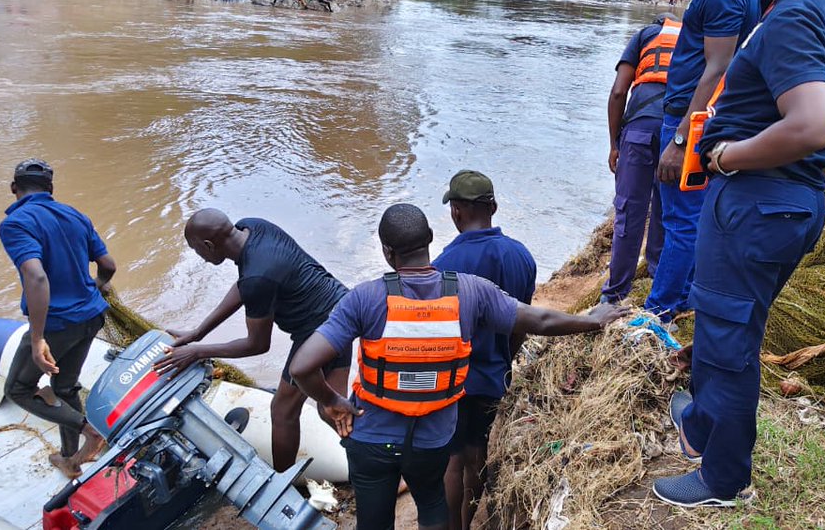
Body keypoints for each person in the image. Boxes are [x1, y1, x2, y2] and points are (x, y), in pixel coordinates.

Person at [653, 0, 825, 508]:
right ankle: (700, 421)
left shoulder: (794, 18)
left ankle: (722, 477)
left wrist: (725, 157)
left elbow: (813, 123)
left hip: (755, 202)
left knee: (725, 340)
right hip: (794, 200)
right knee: (736, 325)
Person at [289, 204, 628, 530]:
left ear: (387, 251)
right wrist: (593, 321)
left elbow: (303, 367)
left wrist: (332, 401)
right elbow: (537, 318)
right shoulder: (470, 291)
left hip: (372, 438)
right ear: (431, 238)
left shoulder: (364, 298)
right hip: (432, 440)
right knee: (433, 505)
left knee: (374, 520)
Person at [154, 210, 350, 472]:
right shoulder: (254, 228)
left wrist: (196, 351)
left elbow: (257, 344)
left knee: (282, 411)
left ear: (209, 245)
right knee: (333, 410)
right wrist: (198, 332)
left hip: (318, 331)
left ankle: (281, 487)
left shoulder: (258, 277)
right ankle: (393, 468)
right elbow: (245, 284)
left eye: (198, 250)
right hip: (342, 309)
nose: (199, 257)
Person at [646, 0, 758, 322]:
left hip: (690, 121)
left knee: (681, 222)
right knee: (689, 218)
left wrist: (679, 139)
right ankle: (686, 301)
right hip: (697, 118)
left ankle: (658, 314)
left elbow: (718, 67)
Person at [433, 172, 537, 530]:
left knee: (452, 460)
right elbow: (522, 320)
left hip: (454, 380)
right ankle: (471, 519)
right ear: (492, 207)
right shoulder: (521, 257)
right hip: (494, 375)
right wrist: (504, 359)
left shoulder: (443, 265)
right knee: (478, 452)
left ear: (456, 212)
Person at [0, 159, 114, 478]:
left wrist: (37, 339)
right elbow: (108, 265)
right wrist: (97, 287)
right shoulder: (76, 215)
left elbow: (36, 279)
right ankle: (70, 458)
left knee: (19, 389)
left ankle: (90, 432)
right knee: (64, 388)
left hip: (59, 325)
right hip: (92, 317)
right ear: (51, 188)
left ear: (14, 189)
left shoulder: (16, 223)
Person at [601, 15, 679, 305]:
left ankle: (614, 294)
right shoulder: (694, 37)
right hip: (678, 132)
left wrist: (613, 145)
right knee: (665, 210)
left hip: (640, 130)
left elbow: (619, 91)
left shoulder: (643, 35)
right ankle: (658, 282)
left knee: (629, 213)